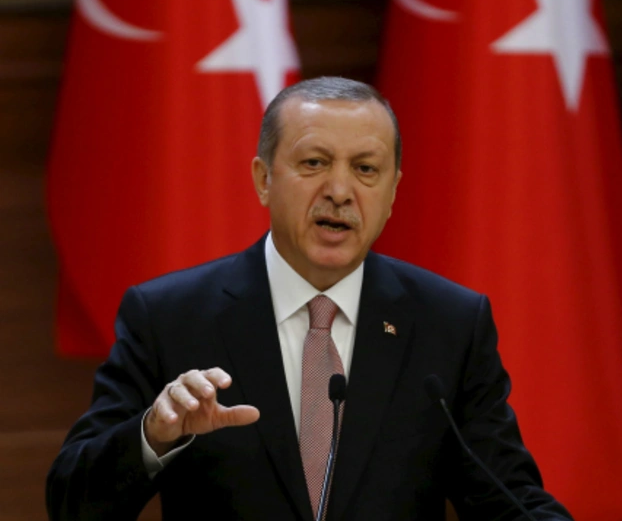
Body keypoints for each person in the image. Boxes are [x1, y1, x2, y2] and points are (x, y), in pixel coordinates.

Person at [46, 77, 572, 520]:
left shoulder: (449, 324)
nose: (341, 191)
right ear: (263, 180)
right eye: (315, 163)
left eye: (366, 169)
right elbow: (73, 503)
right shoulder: (168, 317)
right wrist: (154, 436)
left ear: (392, 193)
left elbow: (509, 500)